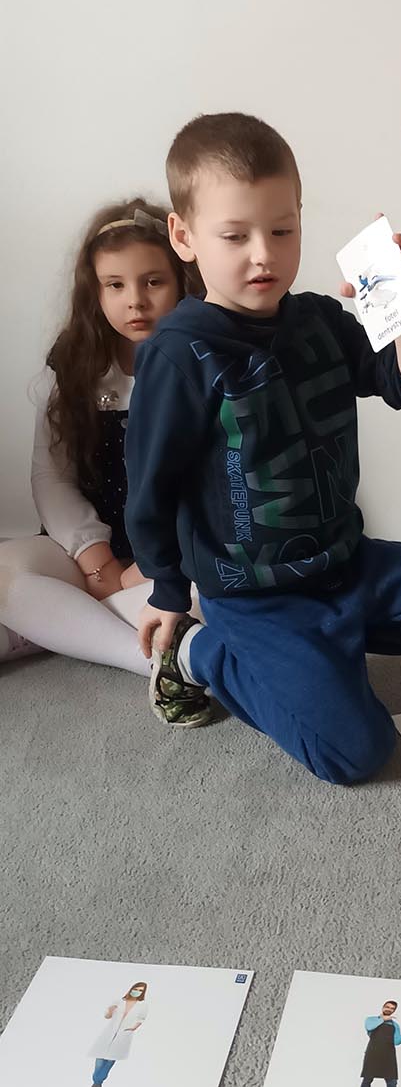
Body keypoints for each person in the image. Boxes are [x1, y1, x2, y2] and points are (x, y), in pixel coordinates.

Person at [124, 111, 401, 783]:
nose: (263, 254)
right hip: (255, 593)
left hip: (345, 564)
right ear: (183, 237)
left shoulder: (321, 319)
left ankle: (323, 653)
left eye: (282, 230)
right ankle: (203, 654)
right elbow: (151, 487)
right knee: (355, 753)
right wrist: (169, 591)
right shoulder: (180, 354)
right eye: (235, 236)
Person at [0, 200, 208, 722]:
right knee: (4, 573)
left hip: (174, 556)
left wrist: (145, 568)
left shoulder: (205, 364)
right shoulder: (74, 365)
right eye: (115, 285)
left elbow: (212, 488)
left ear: (182, 282)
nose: (134, 300)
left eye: (153, 282)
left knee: (209, 597)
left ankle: (59, 626)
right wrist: (98, 562)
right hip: (87, 552)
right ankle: (149, 660)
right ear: (95, 292)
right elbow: (51, 478)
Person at [87, 981, 148, 1087]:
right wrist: (110, 1010)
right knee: (99, 1060)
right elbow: (107, 1016)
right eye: (136, 989)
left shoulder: (142, 1005)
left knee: (109, 1061)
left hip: (123, 1035)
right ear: (132, 989)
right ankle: (97, 1084)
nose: (137, 992)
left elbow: (141, 1019)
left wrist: (132, 1028)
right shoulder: (119, 1001)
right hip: (109, 1033)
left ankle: (96, 1085)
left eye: (140, 991)